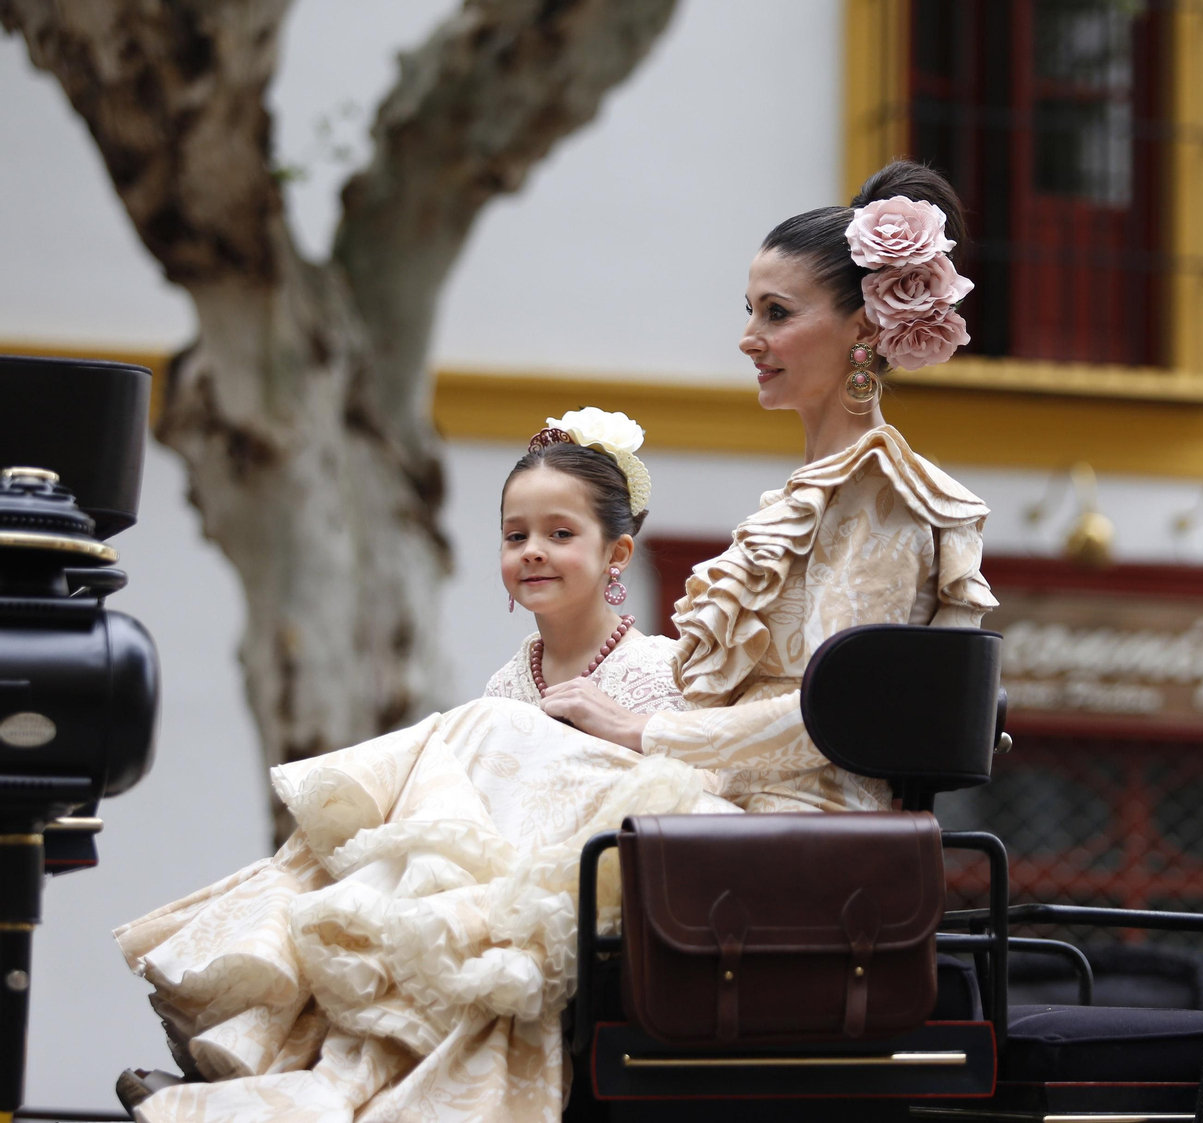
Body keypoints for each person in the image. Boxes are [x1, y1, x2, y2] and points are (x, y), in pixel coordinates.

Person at [116, 409, 733, 1121]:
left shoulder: (658, 671)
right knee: (379, 893)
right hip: (477, 883)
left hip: (568, 901)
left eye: (561, 534)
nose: (533, 551)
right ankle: (273, 1066)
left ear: (616, 553)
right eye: (516, 535)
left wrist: (620, 735)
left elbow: (693, 791)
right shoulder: (507, 685)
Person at [546, 160, 997, 814]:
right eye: (751, 311)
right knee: (489, 731)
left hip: (795, 816)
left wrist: (639, 728)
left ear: (864, 329)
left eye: (776, 313)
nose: (748, 340)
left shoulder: (882, 492)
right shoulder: (805, 497)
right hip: (726, 797)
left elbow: (833, 710)